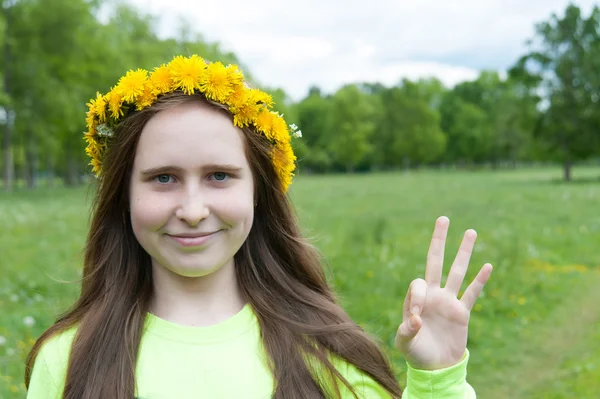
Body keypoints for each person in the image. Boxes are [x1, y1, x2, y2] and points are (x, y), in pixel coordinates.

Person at [24, 54, 493, 399]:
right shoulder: (67, 360)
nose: (192, 209)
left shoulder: (327, 355)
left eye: (219, 176)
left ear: (259, 193)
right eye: (162, 178)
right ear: (124, 195)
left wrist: (440, 379)